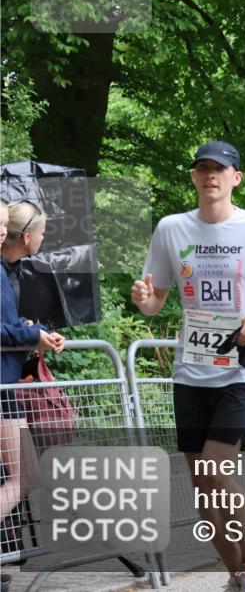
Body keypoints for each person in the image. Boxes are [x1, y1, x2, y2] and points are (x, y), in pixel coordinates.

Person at [132, 141, 245, 592]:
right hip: (192, 369)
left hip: (242, 367)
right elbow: (156, 302)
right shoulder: (172, 229)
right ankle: (238, 573)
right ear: (193, 176)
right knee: (200, 484)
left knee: (216, 468)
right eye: (203, 168)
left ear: (236, 178)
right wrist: (143, 299)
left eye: (220, 169)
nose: (210, 175)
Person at [1, 200, 66, 562]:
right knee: (23, 478)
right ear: (27, 236)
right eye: (42, 232)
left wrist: (34, 331)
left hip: (7, 385)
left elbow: (9, 327)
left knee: (27, 476)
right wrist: (31, 336)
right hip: (1, 387)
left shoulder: (8, 270)